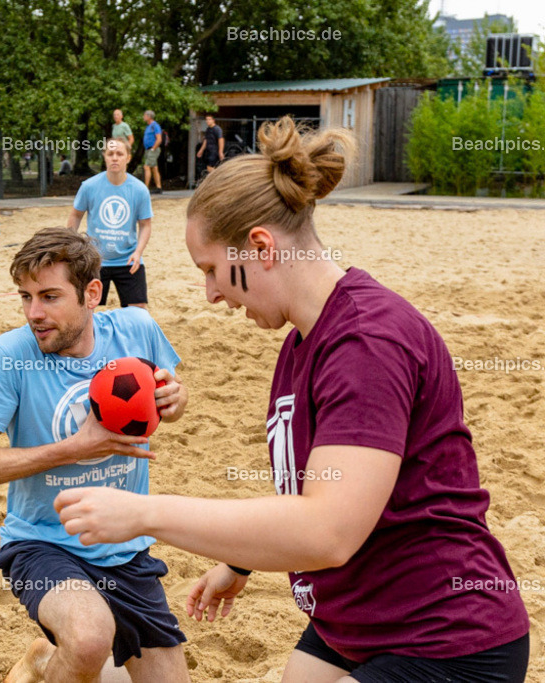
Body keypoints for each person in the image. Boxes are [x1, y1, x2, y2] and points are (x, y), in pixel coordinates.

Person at [54, 117, 531, 683]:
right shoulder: (306, 338)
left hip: (445, 638)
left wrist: (144, 514)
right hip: (356, 619)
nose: (211, 295)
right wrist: (241, 560)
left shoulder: (366, 341)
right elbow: (327, 485)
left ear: (259, 247)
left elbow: (327, 530)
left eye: (212, 271)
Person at [0, 228, 191, 683]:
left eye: (49, 296)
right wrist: (74, 448)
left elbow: (168, 402)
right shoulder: (9, 356)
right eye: (25, 297)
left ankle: (45, 658)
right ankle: (61, 652)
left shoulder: (137, 331)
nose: (34, 314)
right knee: (88, 637)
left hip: (126, 543)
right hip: (42, 542)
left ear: (92, 293)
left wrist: (176, 401)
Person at [66, 138, 152, 309]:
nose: (114, 158)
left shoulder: (140, 189)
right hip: (95, 259)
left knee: (138, 310)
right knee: (87, 308)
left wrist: (138, 252)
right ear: (104, 157)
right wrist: (71, 244)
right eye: (110, 153)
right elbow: (75, 216)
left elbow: (145, 225)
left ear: (128, 158)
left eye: (119, 154)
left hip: (128, 259)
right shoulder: (89, 186)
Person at [195, 115, 224, 184]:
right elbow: (206, 140)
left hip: (214, 151)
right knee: (209, 167)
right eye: (206, 119)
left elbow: (221, 139)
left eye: (209, 119)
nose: (207, 121)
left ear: (213, 120)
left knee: (210, 167)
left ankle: (217, 181)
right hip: (208, 151)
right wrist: (201, 150)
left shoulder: (217, 129)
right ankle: (216, 181)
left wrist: (220, 151)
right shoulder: (208, 129)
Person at [141, 111, 162, 194]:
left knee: (146, 166)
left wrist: (153, 148)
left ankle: (145, 188)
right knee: (154, 168)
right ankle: (158, 187)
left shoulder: (155, 126)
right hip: (148, 150)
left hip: (153, 149)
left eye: (145, 115)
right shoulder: (148, 126)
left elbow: (159, 139)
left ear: (149, 116)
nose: (143, 117)